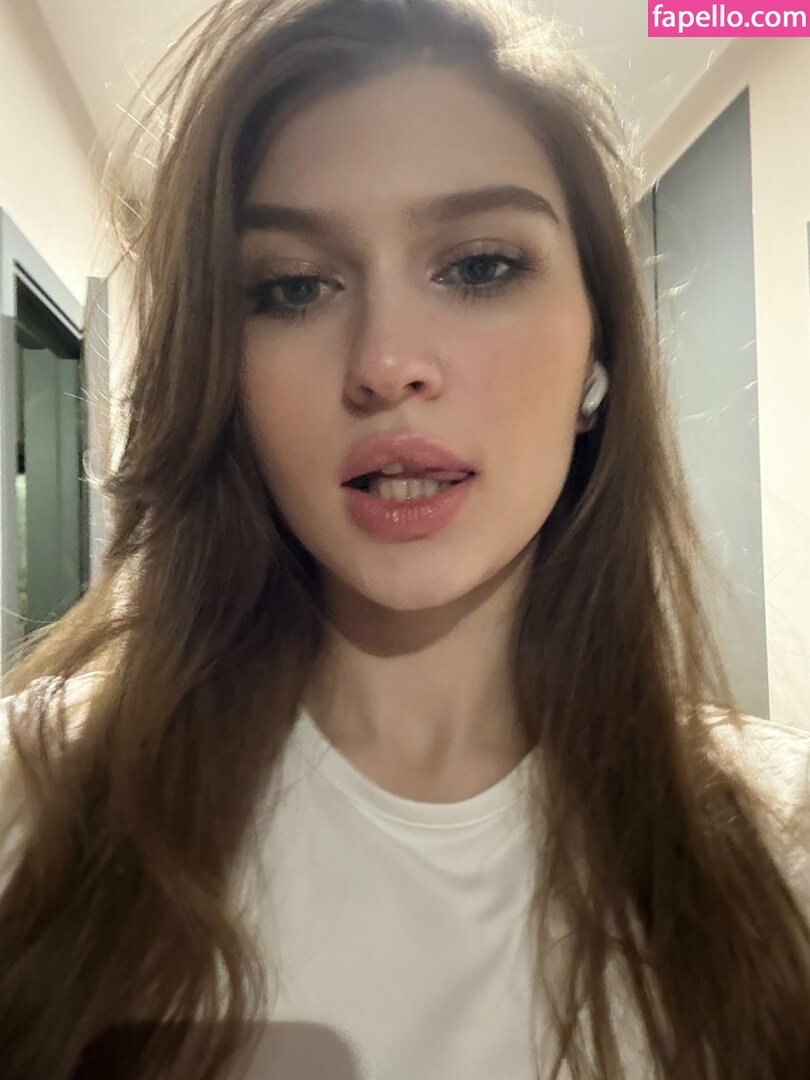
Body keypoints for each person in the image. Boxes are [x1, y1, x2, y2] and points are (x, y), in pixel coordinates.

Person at [1, 0, 809, 1077]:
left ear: (599, 349)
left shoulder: (779, 847)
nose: (386, 363)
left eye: (478, 267)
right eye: (294, 287)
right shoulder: (39, 798)